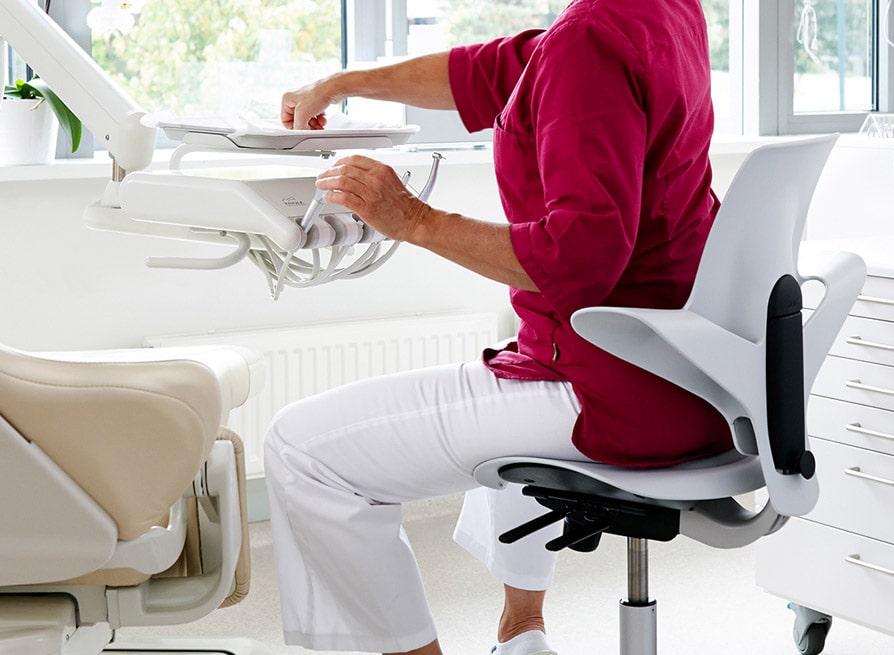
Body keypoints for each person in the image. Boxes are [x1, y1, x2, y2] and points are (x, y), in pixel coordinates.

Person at [263, 1, 733, 654]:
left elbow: (582, 256)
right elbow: (482, 75)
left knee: (300, 448)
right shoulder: (662, 12)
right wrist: (341, 84)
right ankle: (523, 632)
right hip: (692, 376)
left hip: (613, 392)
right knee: (503, 364)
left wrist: (413, 219)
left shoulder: (589, 40)